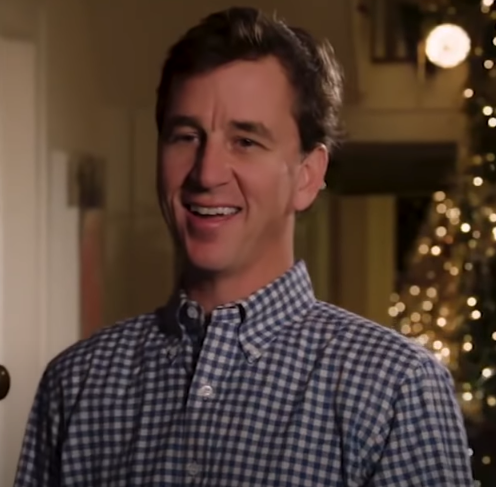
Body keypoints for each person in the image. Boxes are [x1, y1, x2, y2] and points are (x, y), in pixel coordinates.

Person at [14, 6, 473, 486]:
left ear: (307, 176)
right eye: (186, 136)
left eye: (246, 141)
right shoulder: (77, 382)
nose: (207, 173)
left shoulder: (396, 389)